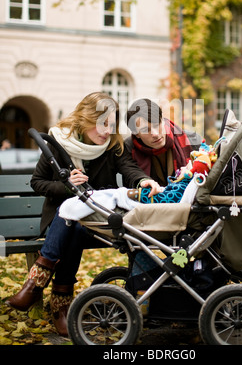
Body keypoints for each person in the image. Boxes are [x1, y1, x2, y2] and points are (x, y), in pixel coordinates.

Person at [6, 92, 160, 336]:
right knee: (72, 222)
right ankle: (60, 307)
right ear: (86, 119)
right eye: (102, 124)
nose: (107, 131)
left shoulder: (112, 146)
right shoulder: (58, 143)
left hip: (99, 223)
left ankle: (34, 286)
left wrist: (143, 181)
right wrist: (67, 186)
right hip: (62, 223)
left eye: (111, 124)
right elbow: (38, 182)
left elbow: (129, 169)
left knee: (75, 224)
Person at [125, 98, 202, 186]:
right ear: (136, 134)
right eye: (145, 130)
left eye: (157, 124)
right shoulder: (128, 149)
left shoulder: (192, 140)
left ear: (163, 120)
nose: (155, 134)